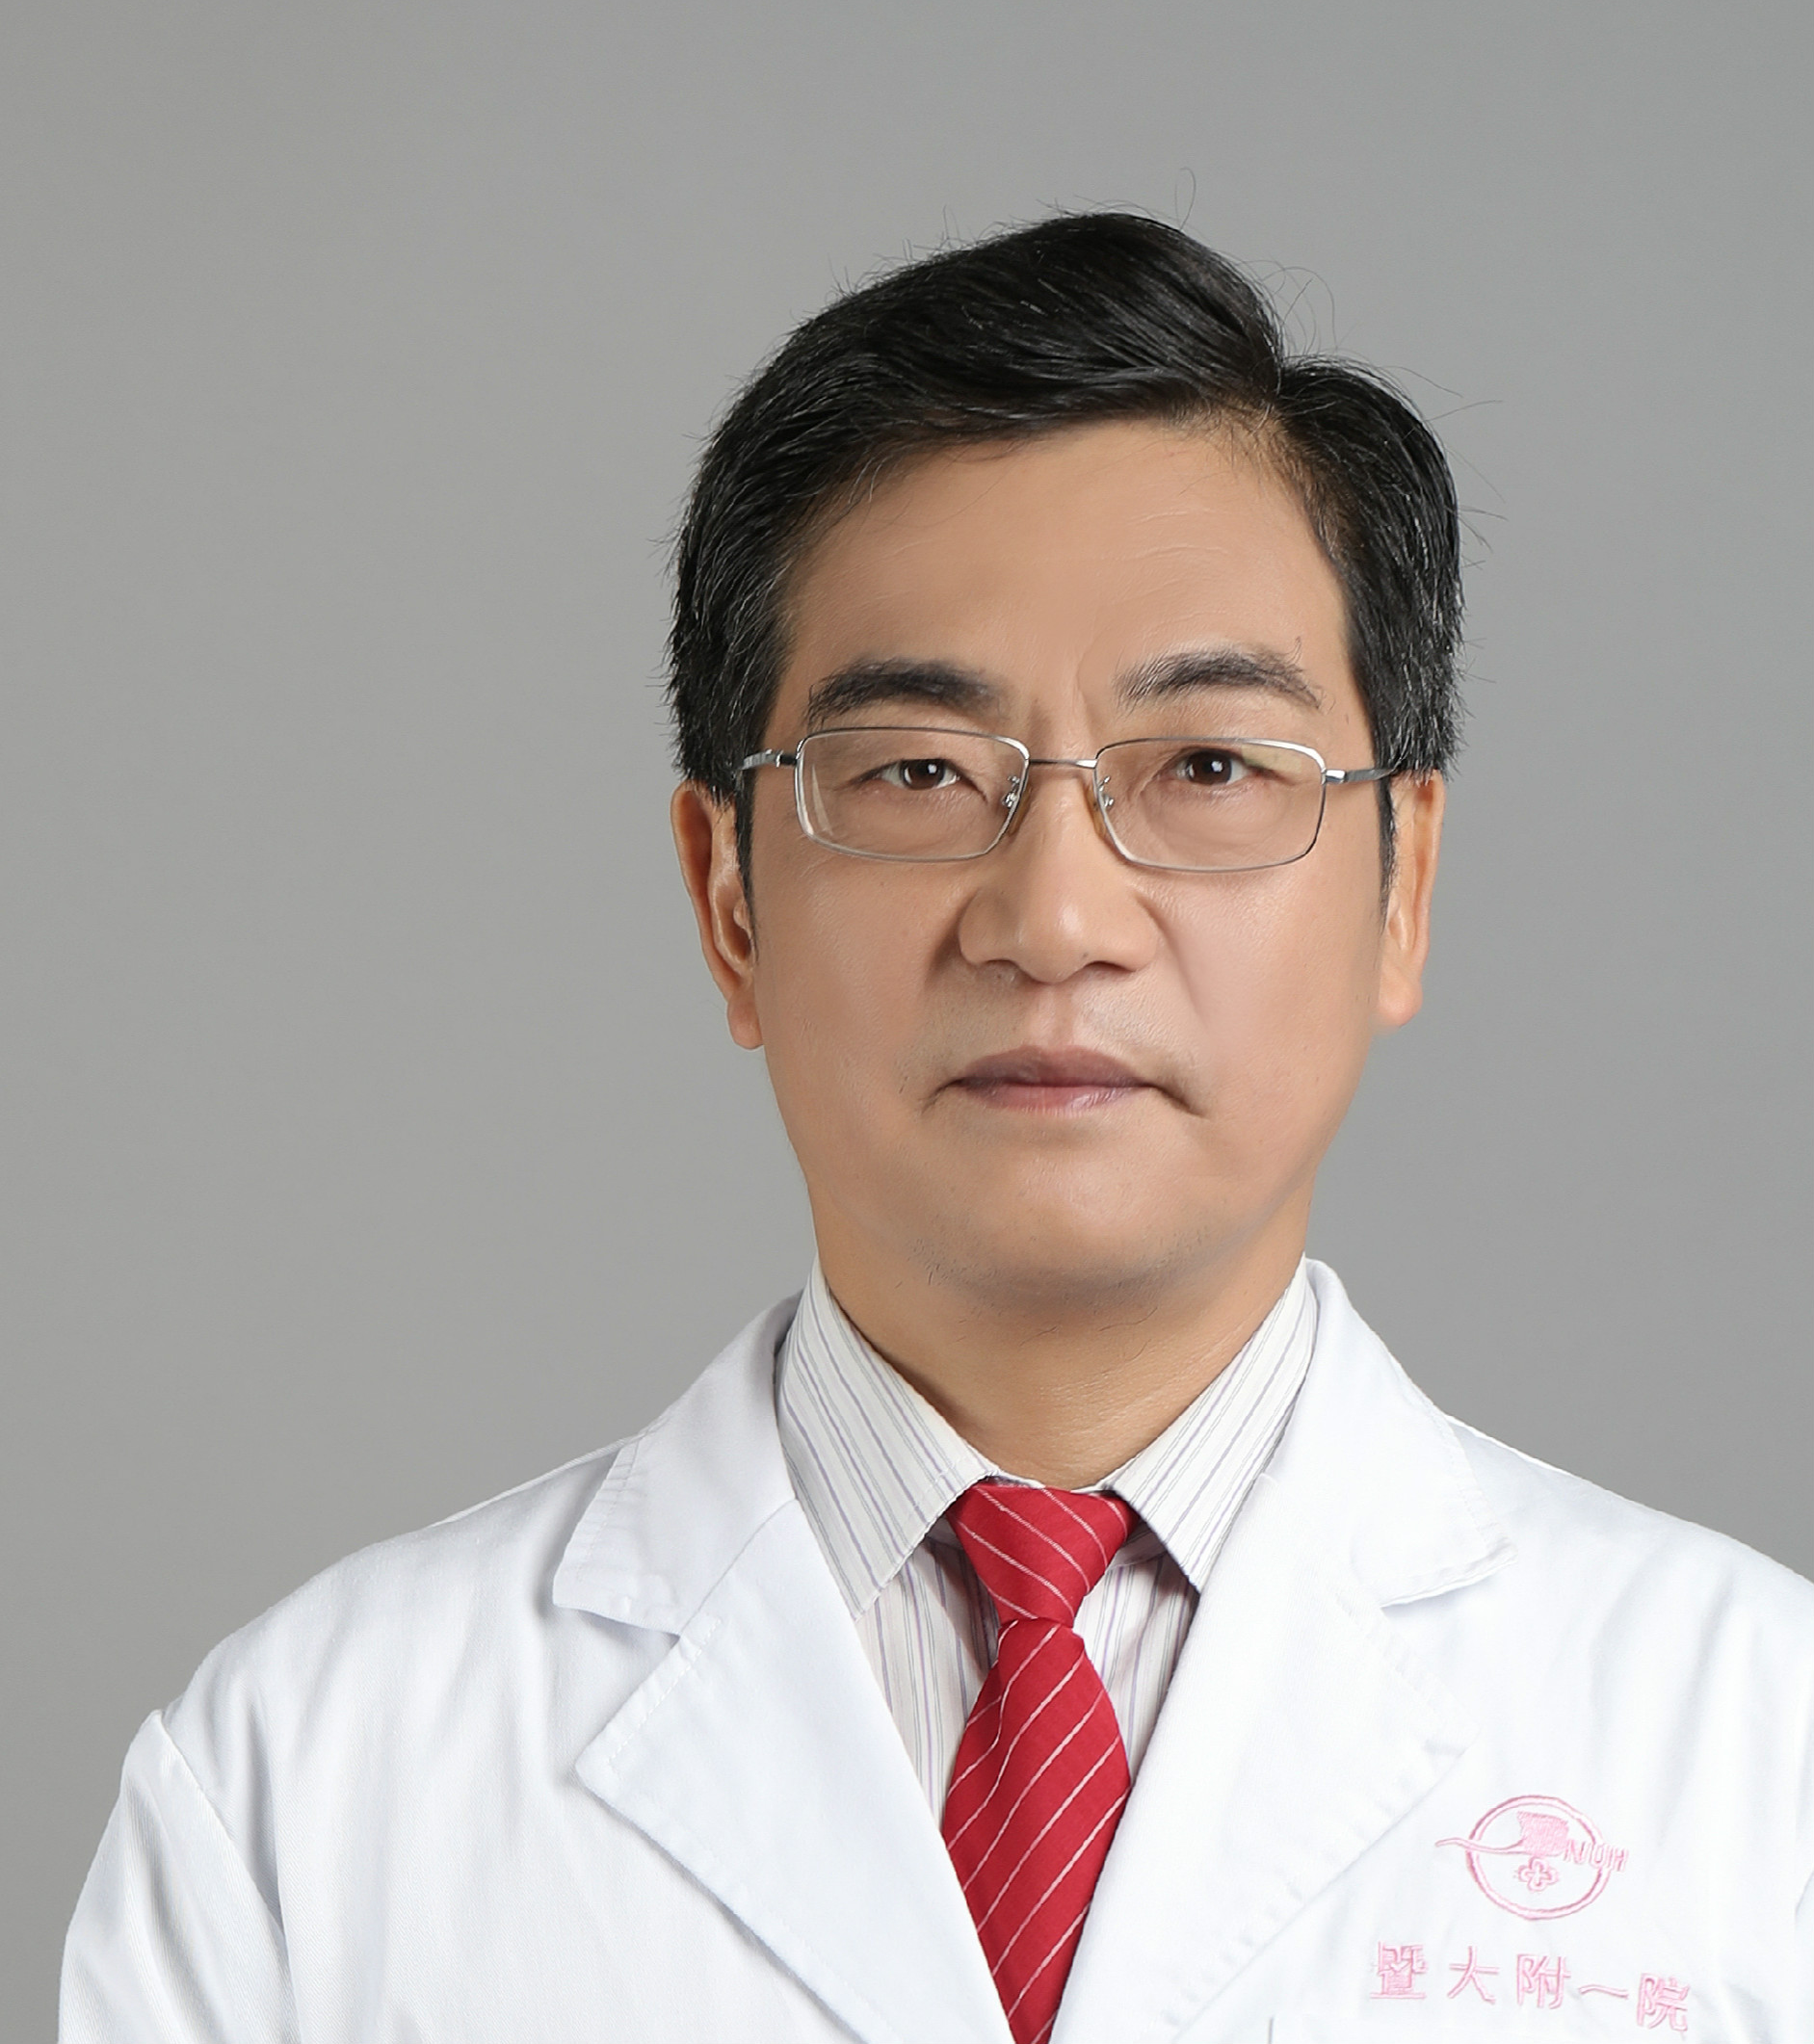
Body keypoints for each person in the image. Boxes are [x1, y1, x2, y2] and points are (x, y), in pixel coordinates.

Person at [62, 214, 1814, 2043]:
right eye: (914, 773)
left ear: (1403, 888)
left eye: (1210, 768)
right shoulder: (303, 1792)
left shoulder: (1760, 1769)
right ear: (727, 901)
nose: (1054, 920)